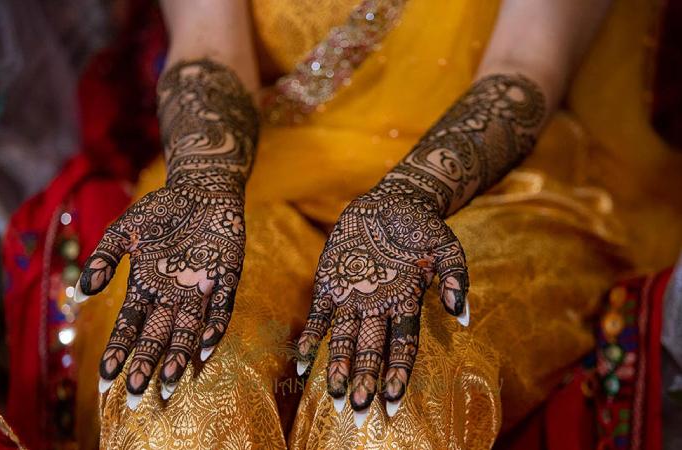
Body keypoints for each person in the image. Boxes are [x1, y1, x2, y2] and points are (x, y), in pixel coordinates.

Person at [69, 0, 682, 448]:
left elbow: (527, 61)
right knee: (181, 397)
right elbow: (206, 46)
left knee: (386, 413)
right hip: (262, 177)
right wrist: (202, 187)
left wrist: (408, 197)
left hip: (496, 191)